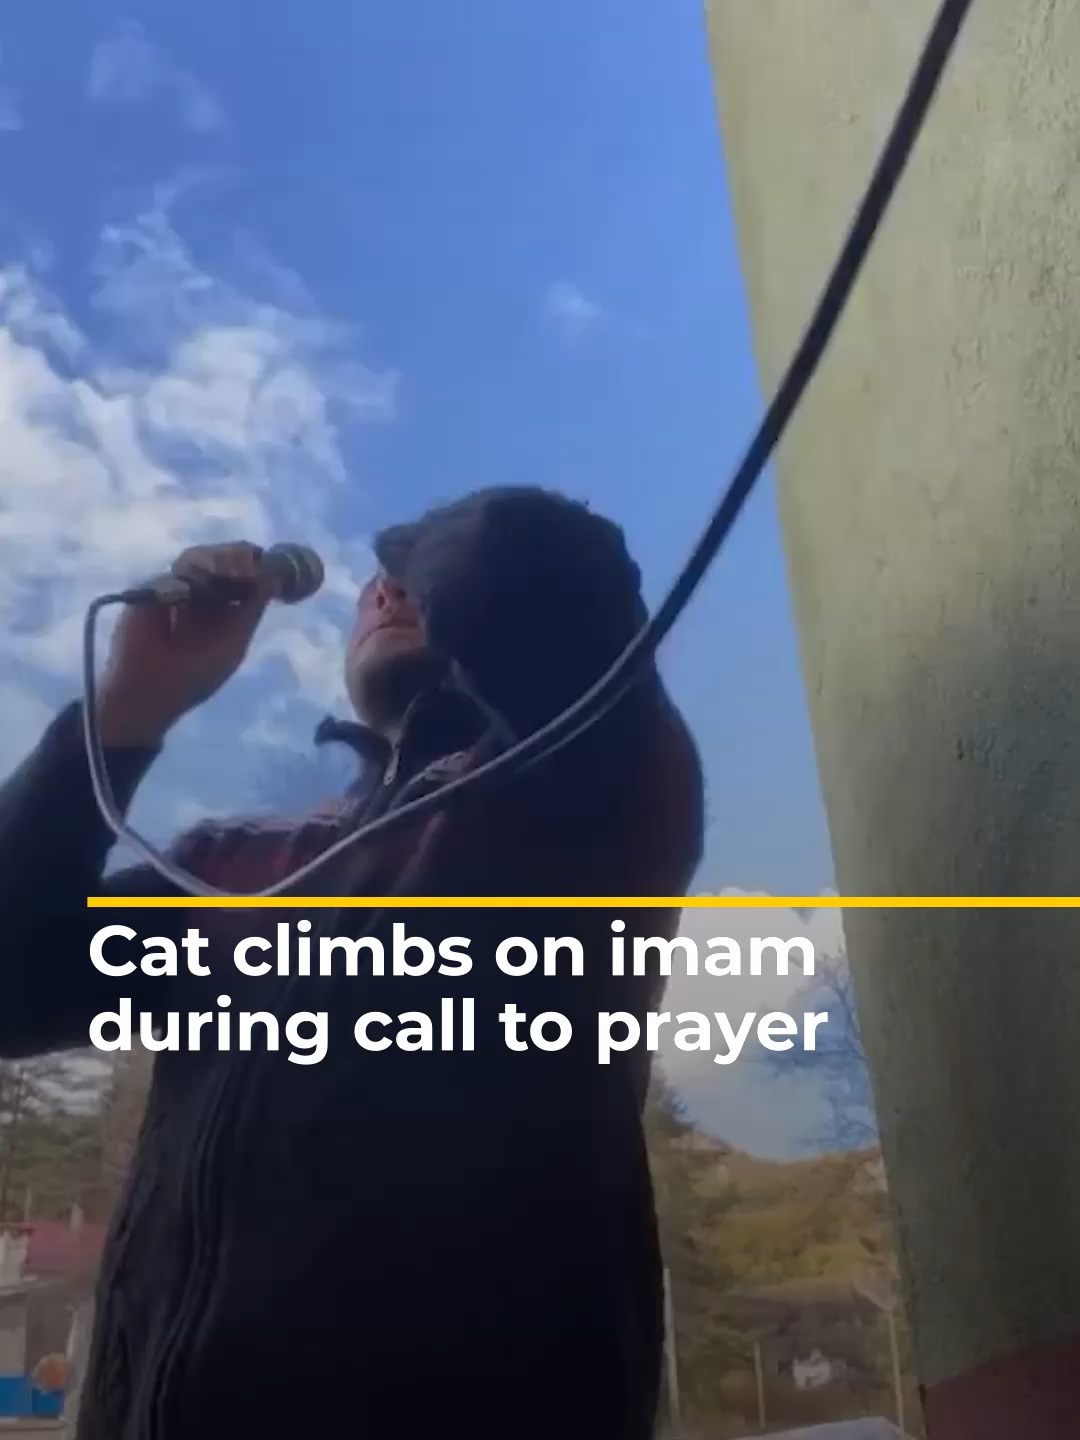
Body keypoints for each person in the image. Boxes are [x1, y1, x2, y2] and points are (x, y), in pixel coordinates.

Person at [0, 486, 704, 1440]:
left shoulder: (585, 787)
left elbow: (550, 578)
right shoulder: (229, 861)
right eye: (373, 582)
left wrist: (410, 547)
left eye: (406, 575)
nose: (383, 589)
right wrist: (130, 706)